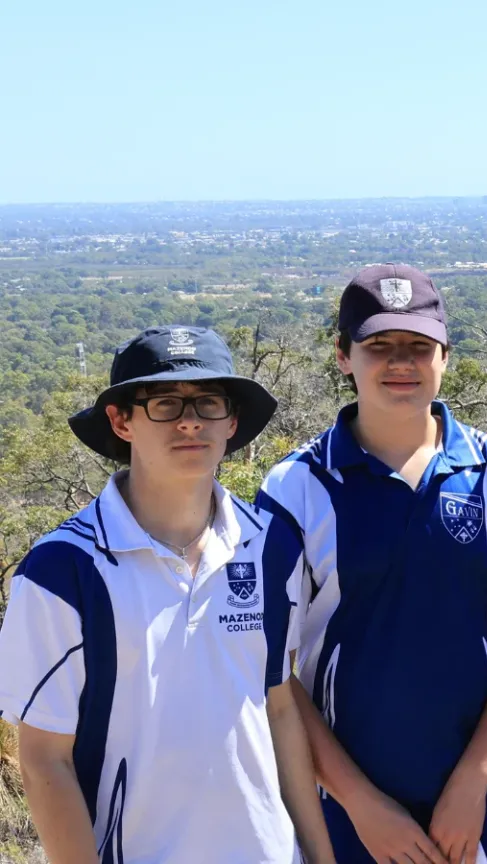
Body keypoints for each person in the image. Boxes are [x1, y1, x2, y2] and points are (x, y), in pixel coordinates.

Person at [257, 264, 487, 864]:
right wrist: (361, 803)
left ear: (445, 356)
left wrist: (474, 779)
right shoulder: (296, 487)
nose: (401, 361)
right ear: (344, 356)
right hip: (346, 804)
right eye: (379, 346)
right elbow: (272, 670)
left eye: (418, 346)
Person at [0, 325, 333, 863]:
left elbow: (277, 708)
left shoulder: (271, 549)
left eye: (207, 402)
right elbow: (43, 761)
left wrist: (319, 854)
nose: (188, 420)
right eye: (163, 402)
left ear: (232, 420)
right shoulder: (64, 570)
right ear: (120, 420)